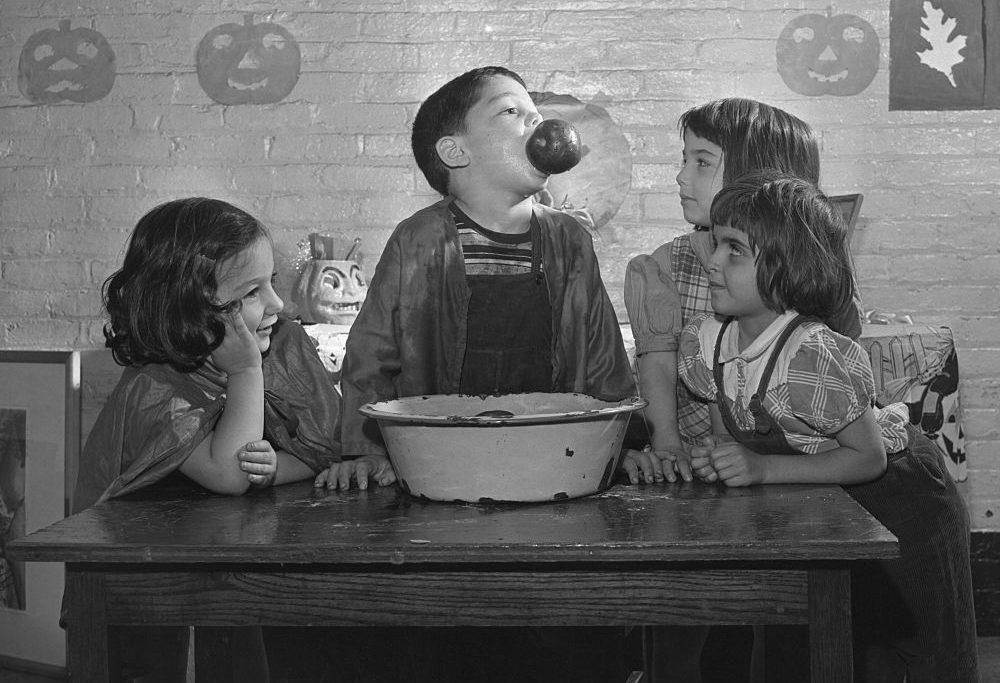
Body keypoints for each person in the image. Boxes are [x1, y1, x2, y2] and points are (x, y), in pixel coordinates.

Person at [314, 65, 636, 683]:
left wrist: (624, 442)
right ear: (455, 151)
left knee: (558, 626)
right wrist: (361, 448)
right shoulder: (418, 239)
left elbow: (600, 351)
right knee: (457, 628)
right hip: (447, 469)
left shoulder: (569, 238)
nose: (537, 123)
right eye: (511, 112)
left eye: (536, 113)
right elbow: (371, 355)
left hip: (553, 463)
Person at [73, 197, 393, 682]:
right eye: (250, 293)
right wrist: (245, 371)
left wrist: (277, 469)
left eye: (273, 284)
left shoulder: (281, 341)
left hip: (228, 562)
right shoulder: (153, 385)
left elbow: (321, 444)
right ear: (187, 309)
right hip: (147, 579)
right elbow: (227, 474)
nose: (278, 305)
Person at [680, 171, 977, 682]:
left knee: (916, 647)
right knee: (820, 641)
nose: (711, 261)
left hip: (902, 501)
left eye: (734, 250)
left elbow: (867, 458)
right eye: (714, 242)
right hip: (819, 502)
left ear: (785, 267)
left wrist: (760, 468)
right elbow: (727, 437)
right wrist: (717, 459)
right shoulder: (708, 345)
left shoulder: (813, 355)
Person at [621, 97, 863, 488]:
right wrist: (668, 445)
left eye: (702, 162)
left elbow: (836, 367)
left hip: (804, 464)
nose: (681, 177)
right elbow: (659, 362)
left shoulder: (803, 268)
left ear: (757, 176)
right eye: (684, 160)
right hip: (703, 459)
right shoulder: (666, 266)